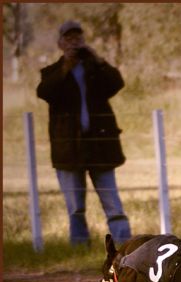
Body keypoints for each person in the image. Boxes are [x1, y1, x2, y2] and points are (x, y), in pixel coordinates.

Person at [37, 20, 131, 246]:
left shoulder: (96, 68)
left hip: (100, 146)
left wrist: (97, 59)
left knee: (112, 202)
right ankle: (79, 245)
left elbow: (117, 83)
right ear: (60, 43)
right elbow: (45, 92)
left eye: (78, 37)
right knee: (75, 206)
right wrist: (66, 67)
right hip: (69, 150)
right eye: (69, 39)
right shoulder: (52, 72)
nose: (74, 42)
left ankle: (125, 245)